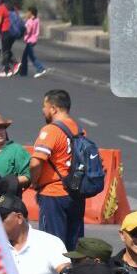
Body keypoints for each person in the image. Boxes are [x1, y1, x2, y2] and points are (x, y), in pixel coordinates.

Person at [30, 88, 90, 247]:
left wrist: (34, 181)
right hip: (76, 194)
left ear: (53, 109)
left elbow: (36, 162)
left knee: (52, 245)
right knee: (73, 246)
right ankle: (72, 272)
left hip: (53, 195)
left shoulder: (51, 130)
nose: (43, 111)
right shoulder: (79, 130)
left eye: (44, 106)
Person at [18, 6, 46, 77]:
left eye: (28, 12)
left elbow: (28, 30)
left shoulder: (30, 21)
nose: (27, 13)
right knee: (25, 56)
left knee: (31, 56)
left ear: (31, 13)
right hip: (34, 40)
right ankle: (23, 72)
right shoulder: (36, 20)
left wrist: (23, 32)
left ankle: (40, 68)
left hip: (30, 40)